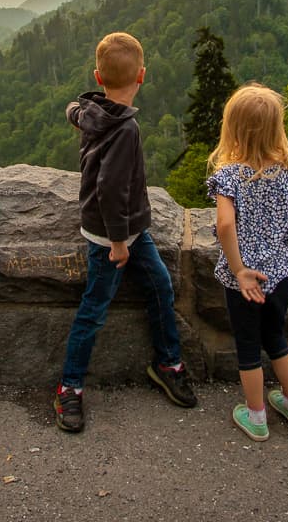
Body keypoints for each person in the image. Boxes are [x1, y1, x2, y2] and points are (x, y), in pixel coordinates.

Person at [54, 31, 198, 433]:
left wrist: (70, 110)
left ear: (97, 78)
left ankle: (168, 363)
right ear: (143, 76)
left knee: (160, 288)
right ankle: (70, 386)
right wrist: (118, 243)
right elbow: (110, 189)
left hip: (133, 230)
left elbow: (75, 111)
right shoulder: (125, 130)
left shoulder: (91, 111)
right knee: (94, 310)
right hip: (111, 238)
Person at [206, 83, 288, 442]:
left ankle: (256, 416)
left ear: (232, 129)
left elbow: (226, 224)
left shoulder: (229, 176)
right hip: (280, 273)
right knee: (276, 338)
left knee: (247, 345)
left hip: (244, 278)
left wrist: (239, 269)